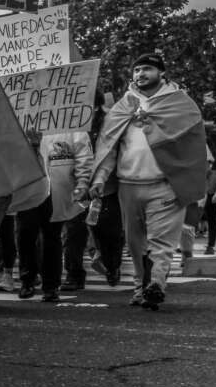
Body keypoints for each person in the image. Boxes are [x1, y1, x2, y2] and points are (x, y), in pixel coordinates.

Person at [88, 53, 207, 309]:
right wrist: (99, 179)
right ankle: (140, 286)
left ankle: (156, 285)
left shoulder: (180, 103)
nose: (140, 74)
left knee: (161, 242)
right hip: (128, 186)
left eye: (147, 70)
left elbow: (194, 145)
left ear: (161, 73)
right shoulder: (123, 107)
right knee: (135, 243)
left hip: (166, 185)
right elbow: (109, 147)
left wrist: (152, 123)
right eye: (137, 70)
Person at [17, 128, 92, 302]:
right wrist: (33, 146)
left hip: (58, 190)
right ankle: (27, 280)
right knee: (25, 234)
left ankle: (51, 286)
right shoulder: (25, 122)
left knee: (52, 237)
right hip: (29, 188)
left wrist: (82, 182)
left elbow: (83, 157)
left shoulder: (72, 126)